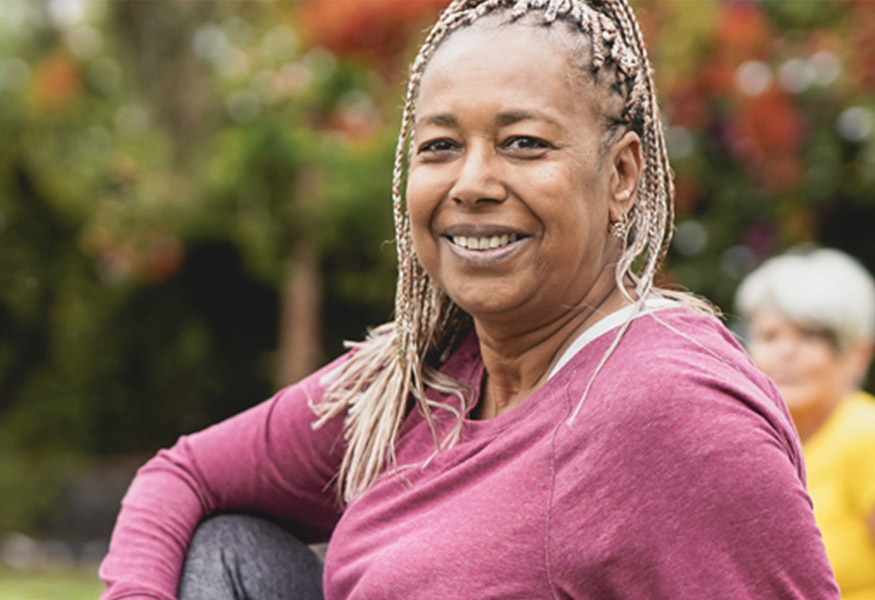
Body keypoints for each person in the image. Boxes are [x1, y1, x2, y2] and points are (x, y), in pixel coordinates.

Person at [99, 0, 840, 598]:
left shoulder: (670, 408)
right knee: (225, 547)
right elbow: (183, 475)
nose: (472, 182)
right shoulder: (421, 377)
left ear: (620, 175)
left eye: (522, 143)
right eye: (440, 146)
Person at [736, 247, 875, 600]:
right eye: (770, 336)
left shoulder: (865, 435)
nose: (786, 352)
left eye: (809, 336)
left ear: (857, 353)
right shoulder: (752, 441)